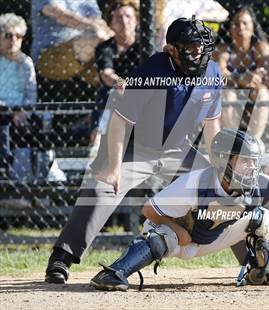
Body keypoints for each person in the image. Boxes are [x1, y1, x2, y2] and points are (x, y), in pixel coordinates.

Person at [44, 16, 224, 284]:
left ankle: (253, 261)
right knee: (101, 190)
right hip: (138, 147)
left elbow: (212, 126)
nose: (199, 53)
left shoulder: (212, 72)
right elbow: (120, 121)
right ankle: (61, 258)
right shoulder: (152, 71)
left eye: (202, 46)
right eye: (191, 47)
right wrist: (114, 167)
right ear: (171, 50)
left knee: (225, 189)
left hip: (177, 150)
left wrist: (220, 168)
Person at [89, 129, 269, 291]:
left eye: (254, 161)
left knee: (264, 219)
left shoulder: (255, 184)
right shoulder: (196, 183)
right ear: (224, 160)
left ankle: (259, 273)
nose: (252, 168)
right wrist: (175, 229)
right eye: (245, 161)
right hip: (179, 238)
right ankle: (114, 273)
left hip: (209, 239)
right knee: (161, 237)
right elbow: (149, 210)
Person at [213, 5, 269, 145]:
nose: (241, 27)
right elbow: (219, 76)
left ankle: (255, 142)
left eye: (245, 23)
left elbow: (267, 79)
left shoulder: (261, 48)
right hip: (231, 91)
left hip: (252, 93)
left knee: (263, 93)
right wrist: (241, 80)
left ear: (253, 27)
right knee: (227, 94)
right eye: (236, 24)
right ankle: (235, 142)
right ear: (229, 28)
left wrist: (256, 79)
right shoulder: (222, 50)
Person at [92, 0, 140, 151]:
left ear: (137, 20)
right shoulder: (105, 48)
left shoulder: (144, 46)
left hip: (141, 95)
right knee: (109, 92)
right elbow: (107, 75)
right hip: (115, 93)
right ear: (110, 23)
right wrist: (122, 85)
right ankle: (97, 139)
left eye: (128, 16)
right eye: (118, 18)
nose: (124, 21)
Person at [31, 0, 113, 85]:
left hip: (87, 53)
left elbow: (97, 21)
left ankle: (120, 86)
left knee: (117, 43)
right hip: (50, 55)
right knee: (99, 38)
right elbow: (57, 14)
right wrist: (91, 26)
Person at [0, 13, 41, 181]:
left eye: (18, 36)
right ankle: (3, 176)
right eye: (8, 35)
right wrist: (8, 110)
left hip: (21, 112)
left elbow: (31, 93)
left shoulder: (26, 63)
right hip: (2, 110)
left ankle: (32, 180)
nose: (14, 40)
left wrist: (23, 112)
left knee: (34, 129)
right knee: (3, 127)